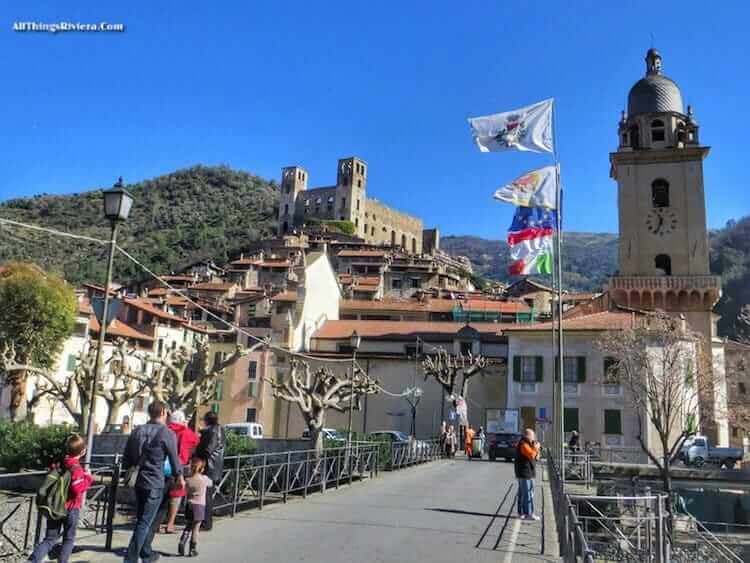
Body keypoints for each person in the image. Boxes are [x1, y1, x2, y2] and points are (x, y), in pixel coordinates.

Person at [122, 401, 183, 563]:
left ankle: (146, 553)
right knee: (144, 522)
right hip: (154, 481)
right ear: (163, 412)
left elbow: (126, 458)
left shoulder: (137, 431)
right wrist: (180, 478)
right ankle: (131, 558)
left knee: (143, 518)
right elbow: (175, 460)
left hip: (138, 481)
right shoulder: (167, 433)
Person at [29, 434, 94, 563]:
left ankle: (33, 560)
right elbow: (77, 489)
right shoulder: (76, 468)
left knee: (49, 539)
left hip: (55, 507)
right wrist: (88, 478)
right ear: (82, 451)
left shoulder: (59, 464)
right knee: (68, 539)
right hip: (71, 509)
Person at [164, 410, 200, 533]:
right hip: (179, 467)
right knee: (176, 495)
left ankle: (156, 523)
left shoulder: (164, 430)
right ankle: (170, 524)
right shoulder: (186, 432)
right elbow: (196, 443)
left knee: (161, 495)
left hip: (161, 467)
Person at [195, 411, 225, 531]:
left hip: (209, 467)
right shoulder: (219, 429)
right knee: (207, 495)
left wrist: (199, 458)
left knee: (206, 496)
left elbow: (208, 449)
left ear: (208, 420)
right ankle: (206, 521)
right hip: (215, 466)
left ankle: (206, 523)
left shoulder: (212, 432)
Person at [178, 456, 213, 557]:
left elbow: (186, 489)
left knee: (188, 525)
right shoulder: (204, 479)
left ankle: (182, 540)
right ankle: (192, 549)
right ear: (202, 469)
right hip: (199, 506)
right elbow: (211, 484)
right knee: (196, 528)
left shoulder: (188, 480)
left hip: (189, 505)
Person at [514, 428, 541, 521]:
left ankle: (521, 513)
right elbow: (531, 455)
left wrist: (536, 451)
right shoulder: (523, 444)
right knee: (527, 494)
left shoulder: (528, 444)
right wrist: (536, 448)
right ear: (528, 436)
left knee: (523, 493)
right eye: (532, 436)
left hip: (527, 472)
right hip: (524, 472)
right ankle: (528, 513)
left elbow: (536, 457)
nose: (533, 438)